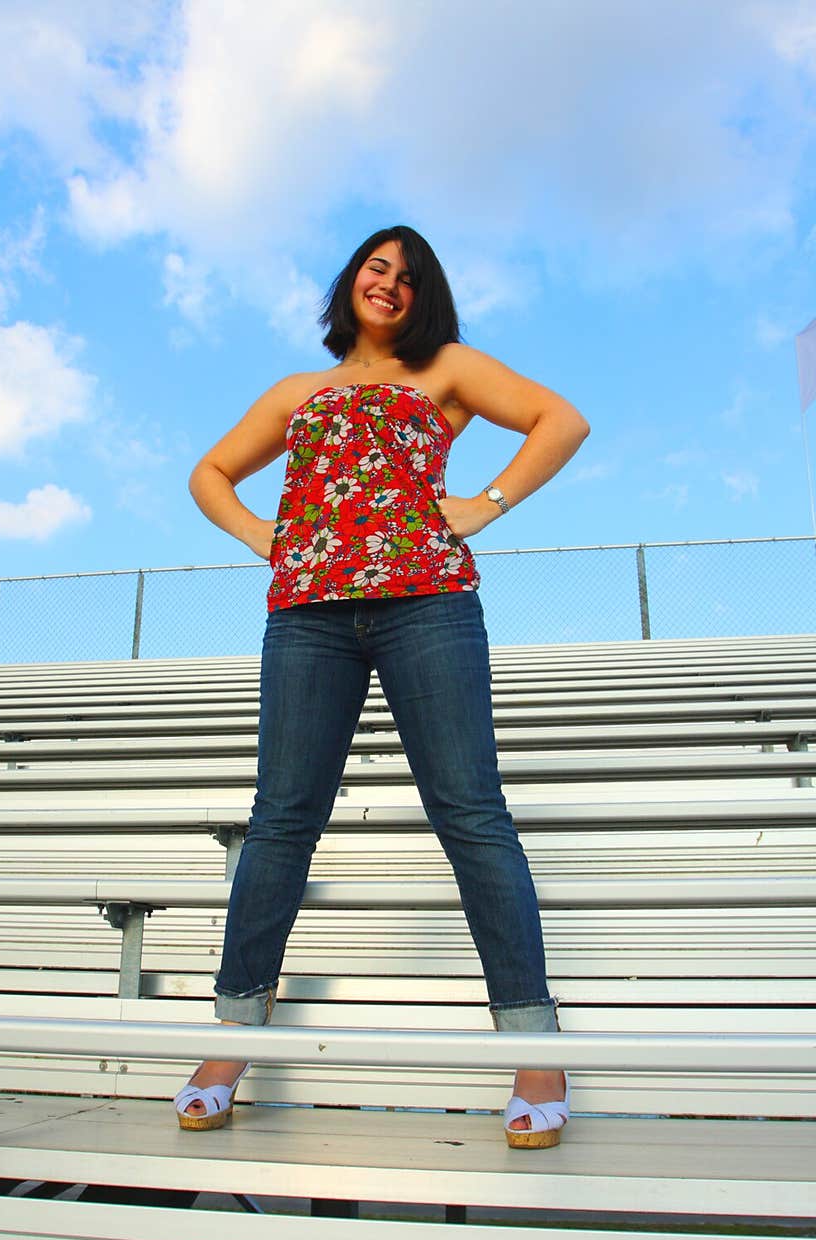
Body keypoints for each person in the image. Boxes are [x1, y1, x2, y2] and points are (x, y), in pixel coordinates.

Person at [177, 225, 589, 1148]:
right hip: (308, 615)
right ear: (351, 282)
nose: (390, 283)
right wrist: (263, 537)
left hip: (427, 603)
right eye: (376, 267)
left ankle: (533, 1043)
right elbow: (210, 474)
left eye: (408, 276)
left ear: (423, 294)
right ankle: (231, 1033)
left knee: (471, 811)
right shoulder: (300, 392)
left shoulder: (443, 368)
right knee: (281, 816)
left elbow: (560, 420)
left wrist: (484, 504)